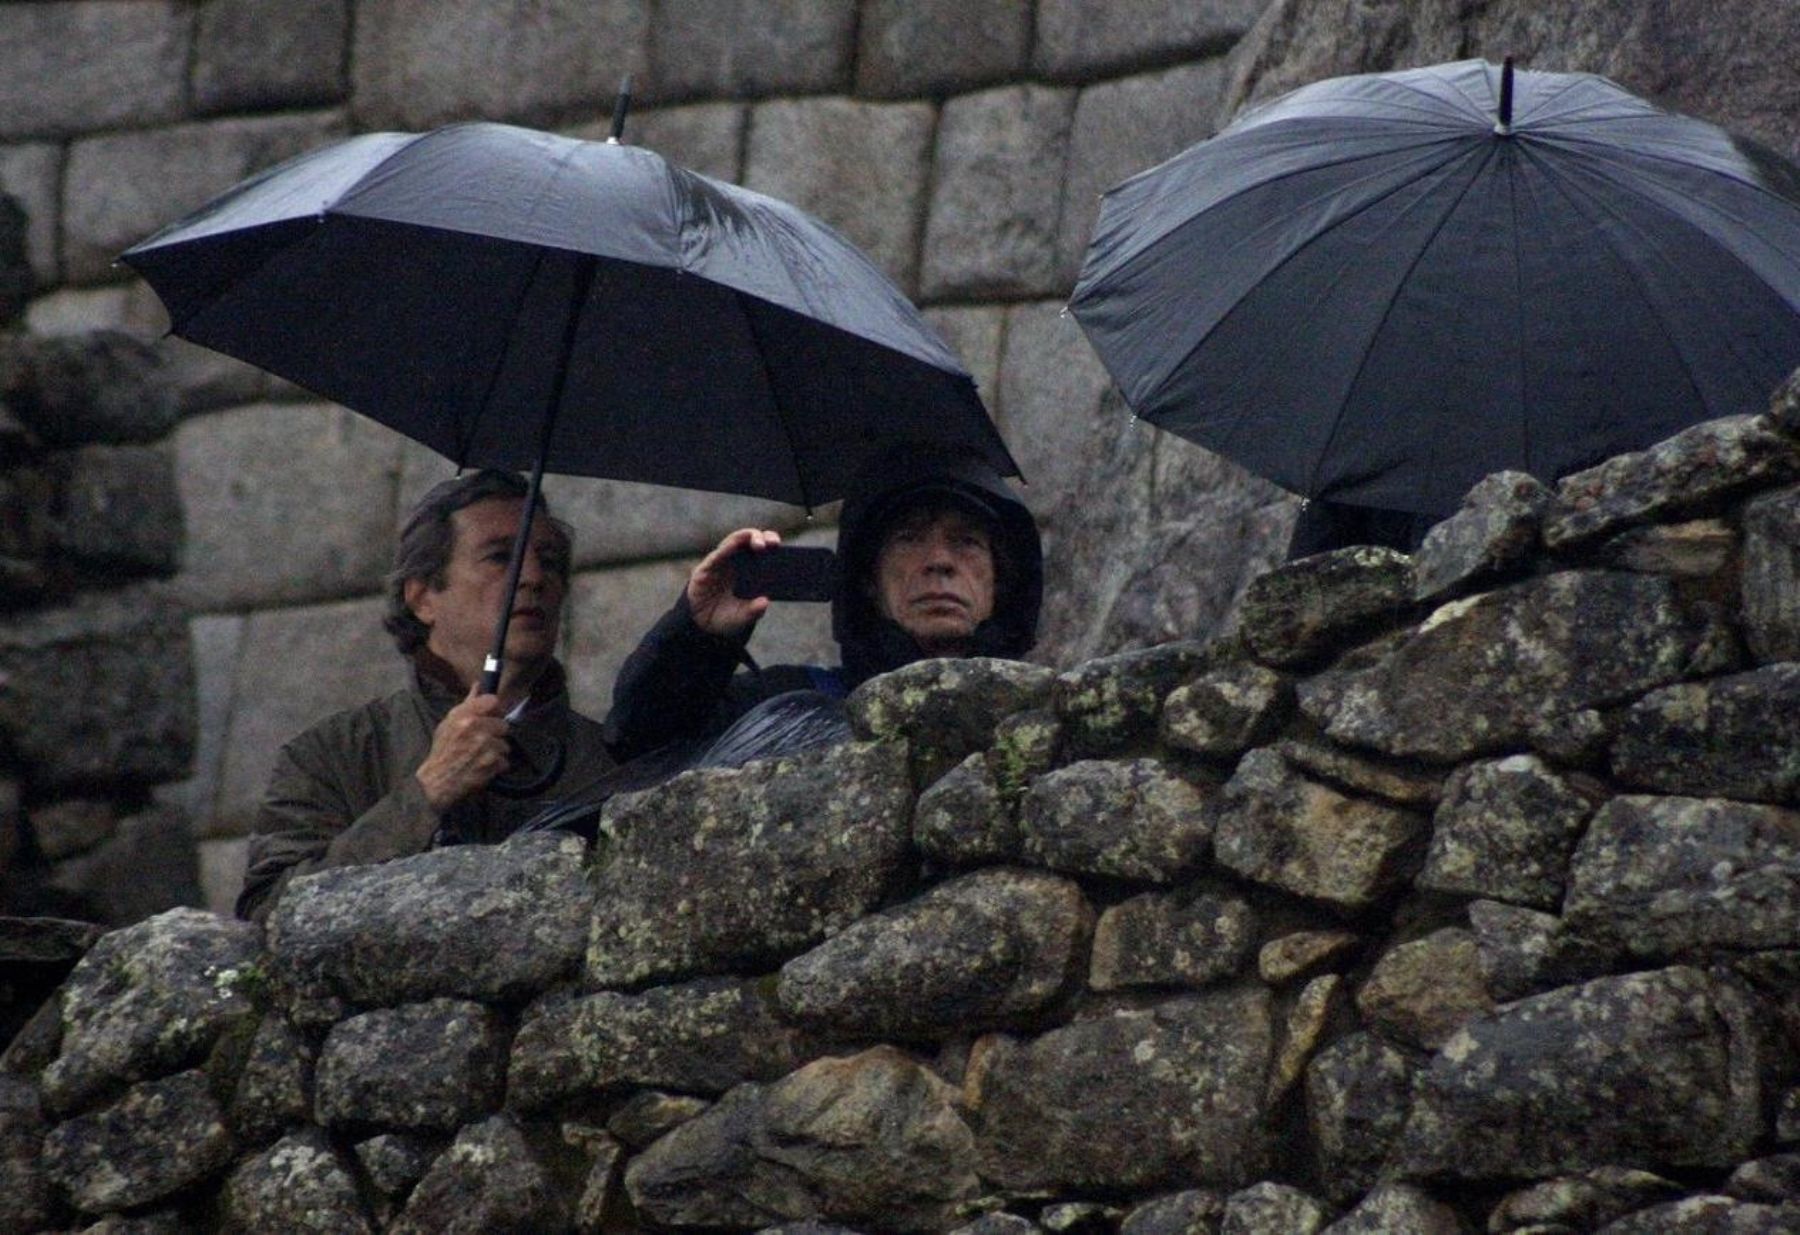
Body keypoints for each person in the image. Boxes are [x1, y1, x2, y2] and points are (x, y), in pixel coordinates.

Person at [236, 470, 615, 922]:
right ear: (423, 598)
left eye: (550, 561)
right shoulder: (330, 756)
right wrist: (426, 795)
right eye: (500, 557)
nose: (533, 577)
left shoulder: (611, 763)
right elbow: (267, 916)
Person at [603, 442, 1043, 762]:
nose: (939, 562)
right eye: (909, 538)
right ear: (869, 579)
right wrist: (696, 635)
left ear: (999, 582)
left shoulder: (1042, 714)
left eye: (965, 542)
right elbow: (640, 742)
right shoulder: (792, 703)